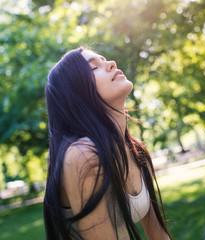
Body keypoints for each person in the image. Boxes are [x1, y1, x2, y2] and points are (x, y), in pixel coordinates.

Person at [43, 46, 172, 240]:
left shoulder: (135, 151)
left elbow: (157, 234)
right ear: (76, 94)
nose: (111, 64)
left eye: (105, 60)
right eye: (94, 68)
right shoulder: (83, 155)